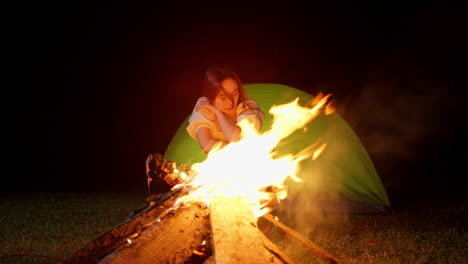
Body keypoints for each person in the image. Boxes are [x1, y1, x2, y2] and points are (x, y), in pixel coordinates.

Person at [186, 65, 265, 153]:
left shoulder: (247, 107)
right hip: (224, 160)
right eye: (223, 96)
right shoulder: (204, 108)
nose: (230, 102)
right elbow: (206, 145)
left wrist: (218, 114)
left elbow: (237, 139)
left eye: (234, 93)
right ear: (210, 96)